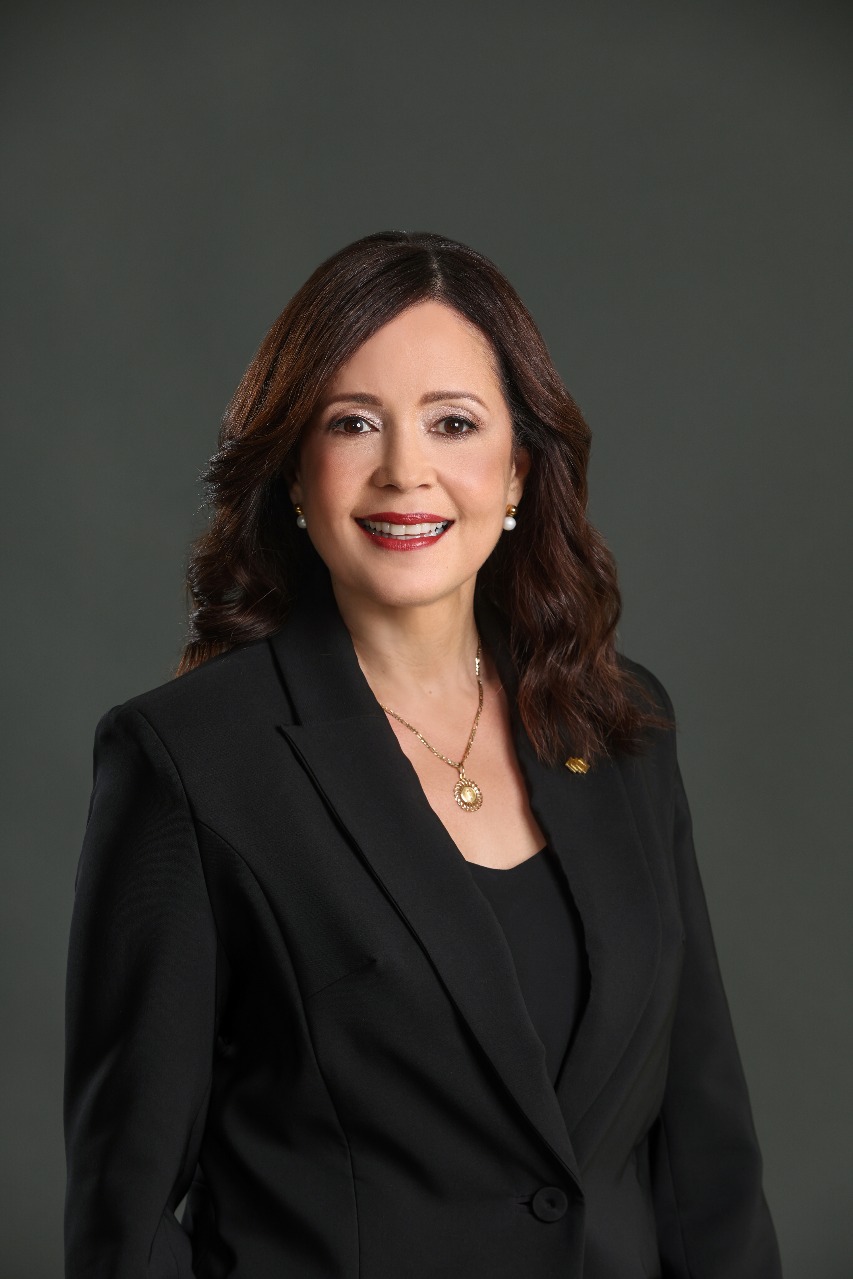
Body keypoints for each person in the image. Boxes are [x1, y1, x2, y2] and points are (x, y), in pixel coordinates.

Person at [63, 230, 782, 1278]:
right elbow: (121, 1225)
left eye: (453, 423)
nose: (405, 471)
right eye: (353, 422)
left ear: (516, 470)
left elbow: (705, 1165)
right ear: (295, 474)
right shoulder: (188, 760)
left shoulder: (621, 725)